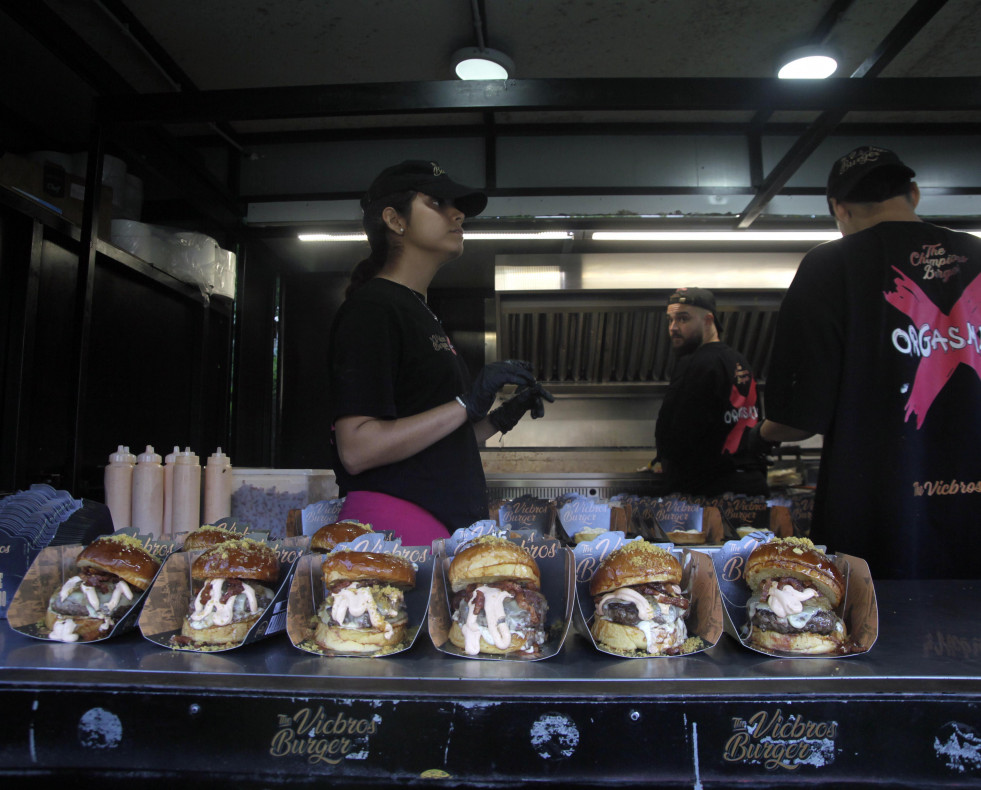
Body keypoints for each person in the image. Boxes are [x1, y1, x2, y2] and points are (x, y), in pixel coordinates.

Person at [750, 145, 981, 579]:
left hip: (881, 525)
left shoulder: (831, 266)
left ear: (839, 208)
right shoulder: (979, 254)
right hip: (973, 519)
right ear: (912, 192)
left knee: (878, 638)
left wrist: (758, 438)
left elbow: (798, 418)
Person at [327, 159, 553, 544]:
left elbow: (433, 443)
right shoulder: (372, 308)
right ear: (394, 220)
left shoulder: (418, 310)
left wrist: (495, 419)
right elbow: (357, 448)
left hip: (433, 532)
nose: (458, 213)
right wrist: (466, 403)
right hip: (396, 533)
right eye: (436, 202)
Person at [651, 286, 767, 497]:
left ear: (708, 320)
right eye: (670, 320)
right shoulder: (740, 361)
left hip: (709, 491)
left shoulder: (696, 363)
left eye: (683, 319)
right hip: (749, 487)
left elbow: (676, 431)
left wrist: (666, 465)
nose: (674, 328)